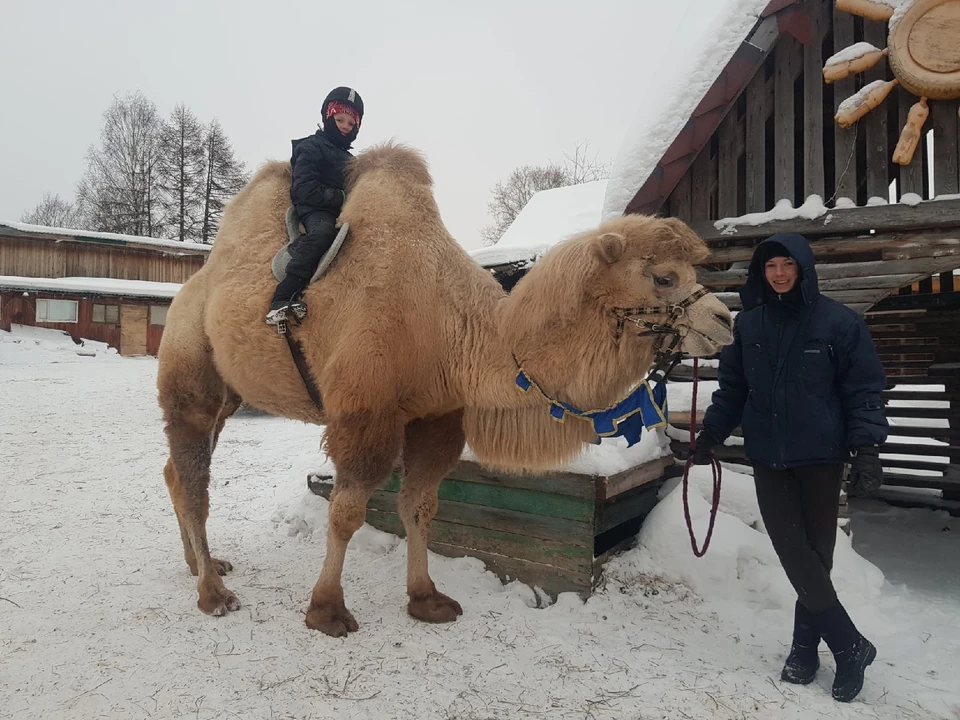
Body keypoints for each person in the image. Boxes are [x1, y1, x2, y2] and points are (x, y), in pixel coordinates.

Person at [692, 233, 887, 703]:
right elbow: (732, 388)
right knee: (792, 549)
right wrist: (711, 434)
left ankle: (804, 648)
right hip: (769, 455)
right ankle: (849, 644)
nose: (778, 274)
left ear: (803, 267)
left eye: (786, 264)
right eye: (770, 267)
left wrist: (867, 450)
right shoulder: (751, 325)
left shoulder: (839, 323)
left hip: (821, 455)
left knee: (816, 554)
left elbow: (863, 389)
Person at [265, 86, 364, 328]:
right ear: (327, 117)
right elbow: (304, 189)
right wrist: (341, 198)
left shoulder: (352, 160)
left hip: (342, 213)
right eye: (340, 119)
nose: (345, 126)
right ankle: (284, 296)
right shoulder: (310, 147)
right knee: (323, 233)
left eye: (352, 124)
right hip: (315, 209)